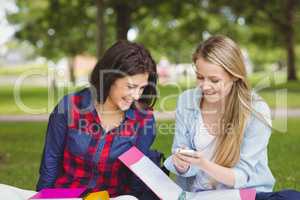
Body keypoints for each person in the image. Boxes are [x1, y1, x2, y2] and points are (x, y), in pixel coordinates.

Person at [164, 35, 300, 200]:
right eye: (200, 77)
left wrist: (203, 164)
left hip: (243, 195)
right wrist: (182, 165)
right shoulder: (187, 100)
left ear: (235, 75)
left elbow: (242, 177)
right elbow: (179, 152)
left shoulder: (256, 109)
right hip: (197, 195)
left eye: (214, 80)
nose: (205, 86)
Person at [36, 40, 159, 199]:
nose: (137, 96)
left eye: (142, 88)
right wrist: (41, 196)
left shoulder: (143, 118)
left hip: (113, 197)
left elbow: (137, 180)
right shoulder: (69, 107)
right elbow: (50, 162)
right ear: (109, 77)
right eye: (131, 86)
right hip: (67, 194)